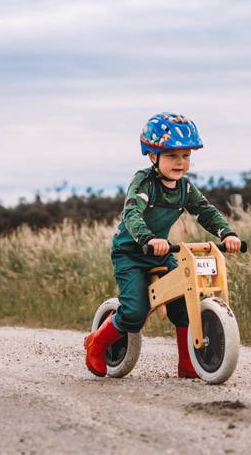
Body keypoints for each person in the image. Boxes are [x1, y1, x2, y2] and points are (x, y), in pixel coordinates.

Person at [84, 112, 242, 378]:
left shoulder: (185, 188)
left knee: (182, 303)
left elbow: (205, 211)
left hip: (161, 252)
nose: (180, 162)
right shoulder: (144, 182)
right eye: (171, 156)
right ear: (152, 156)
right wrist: (147, 239)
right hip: (132, 252)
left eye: (185, 156)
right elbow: (132, 213)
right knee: (135, 311)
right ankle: (96, 343)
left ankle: (188, 363)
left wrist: (227, 233)